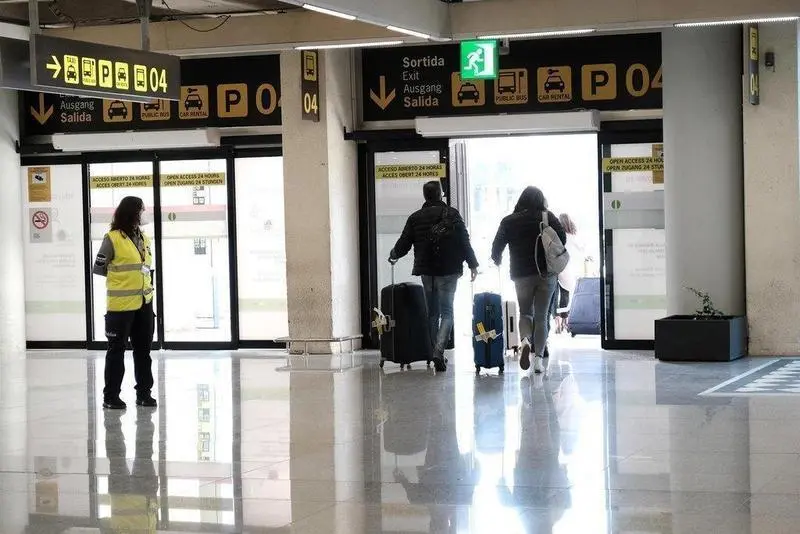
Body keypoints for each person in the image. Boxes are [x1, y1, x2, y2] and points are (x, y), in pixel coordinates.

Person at [389, 181, 479, 372]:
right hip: (449, 270)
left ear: (425, 196)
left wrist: (394, 254)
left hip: (427, 271)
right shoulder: (452, 215)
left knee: (433, 314)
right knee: (447, 312)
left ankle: (434, 353)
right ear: (441, 194)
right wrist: (472, 264)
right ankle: (438, 351)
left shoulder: (415, 217)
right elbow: (464, 240)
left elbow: (404, 242)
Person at [491, 186, 566, 374]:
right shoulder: (547, 217)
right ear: (541, 200)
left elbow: (497, 245)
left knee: (525, 313)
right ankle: (538, 360)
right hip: (546, 274)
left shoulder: (509, 221)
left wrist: (497, 258)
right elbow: (562, 239)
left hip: (521, 274)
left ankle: (525, 341)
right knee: (541, 317)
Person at [93, 196, 156, 410]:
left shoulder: (145, 239)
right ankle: (111, 397)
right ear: (132, 212)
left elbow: (145, 269)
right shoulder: (112, 238)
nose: (144, 214)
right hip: (120, 308)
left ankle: (144, 394)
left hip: (144, 303)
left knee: (143, 351)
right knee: (116, 351)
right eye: (142, 210)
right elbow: (99, 268)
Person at [550, 213, 583, 334]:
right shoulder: (572, 236)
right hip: (567, 268)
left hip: (555, 268)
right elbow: (581, 249)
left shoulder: (556, 235)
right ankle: (564, 320)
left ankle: (556, 321)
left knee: (554, 295)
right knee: (565, 294)